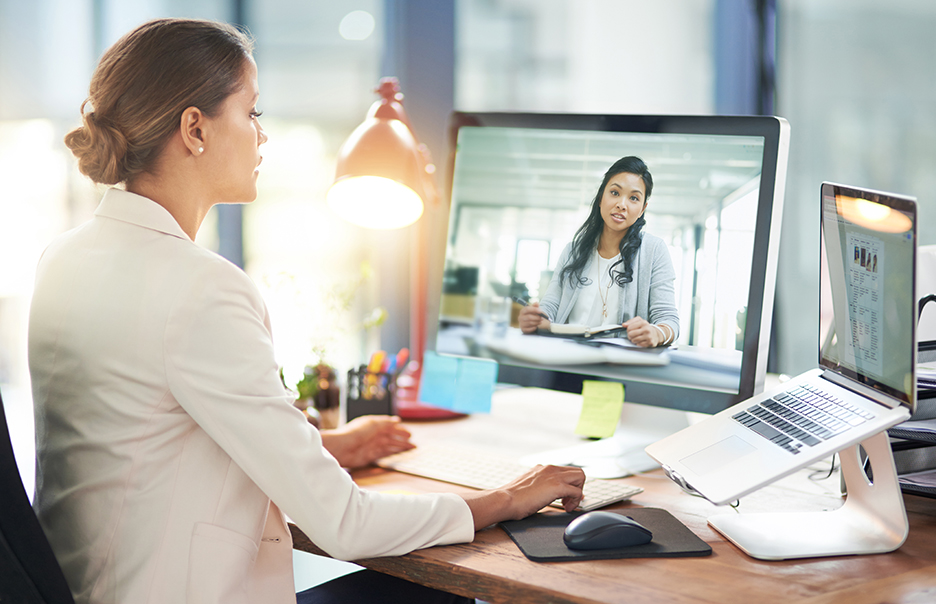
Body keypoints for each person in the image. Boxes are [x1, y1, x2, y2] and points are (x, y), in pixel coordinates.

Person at [28, 18, 584, 604]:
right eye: (252, 113)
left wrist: (331, 446)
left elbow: (149, 438)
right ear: (194, 127)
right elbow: (344, 524)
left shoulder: (64, 258)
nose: (262, 136)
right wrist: (507, 498)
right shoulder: (200, 289)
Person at [518, 156, 680, 348]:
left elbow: (670, 321)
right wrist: (535, 319)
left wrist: (656, 332)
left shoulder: (654, 251)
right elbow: (550, 307)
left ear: (642, 209)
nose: (622, 204)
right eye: (614, 192)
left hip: (618, 365)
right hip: (565, 358)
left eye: (634, 198)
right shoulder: (573, 251)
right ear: (601, 197)